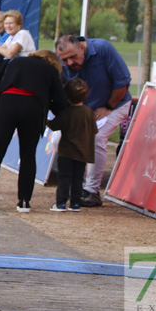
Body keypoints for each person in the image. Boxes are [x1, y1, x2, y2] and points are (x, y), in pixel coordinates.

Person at [0, 50, 68, 212]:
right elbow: (60, 101)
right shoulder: (51, 71)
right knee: (28, 155)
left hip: (8, 103)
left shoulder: (15, 62)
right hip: (33, 107)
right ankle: (24, 202)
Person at [54, 34, 132, 207]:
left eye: (73, 57)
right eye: (65, 59)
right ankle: (75, 185)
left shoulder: (103, 49)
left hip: (114, 104)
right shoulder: (63, 64)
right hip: (83, 108)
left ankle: (92, 191)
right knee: (59, 138)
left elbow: (123, 81)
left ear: (81, 47)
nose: (70, 63)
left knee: (96, 138)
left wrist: (108, 107)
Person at [48, 78, 96, 212]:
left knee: (64, 177)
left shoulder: (66, 112)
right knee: (78, 178)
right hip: (83, 151)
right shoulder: (89, 112)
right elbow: (94, 131)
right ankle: (75, 203)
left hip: (67, 151)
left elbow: (54, 126)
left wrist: (45, 121)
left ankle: (61, 203)